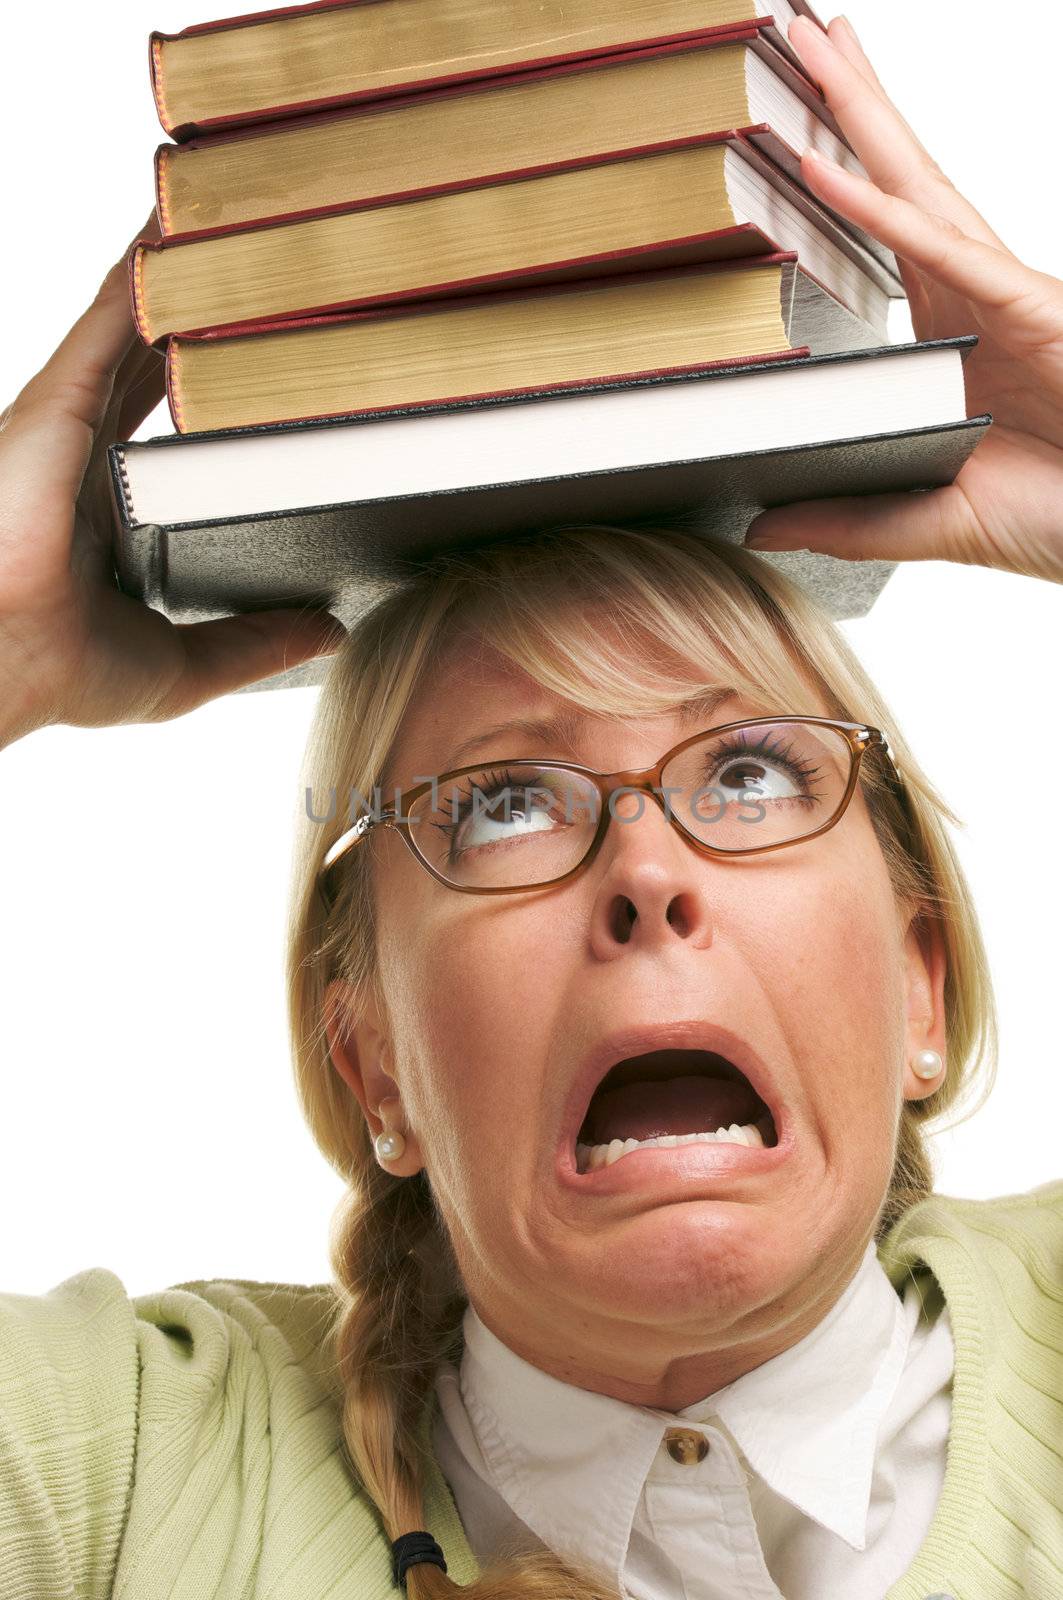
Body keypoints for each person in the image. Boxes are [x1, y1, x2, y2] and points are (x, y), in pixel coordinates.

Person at [1, 13, 1062, 1600]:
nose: (647, 871)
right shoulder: (122, 1465)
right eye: (503, 803)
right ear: (374, 1064)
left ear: (922, 983)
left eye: (749, 772)